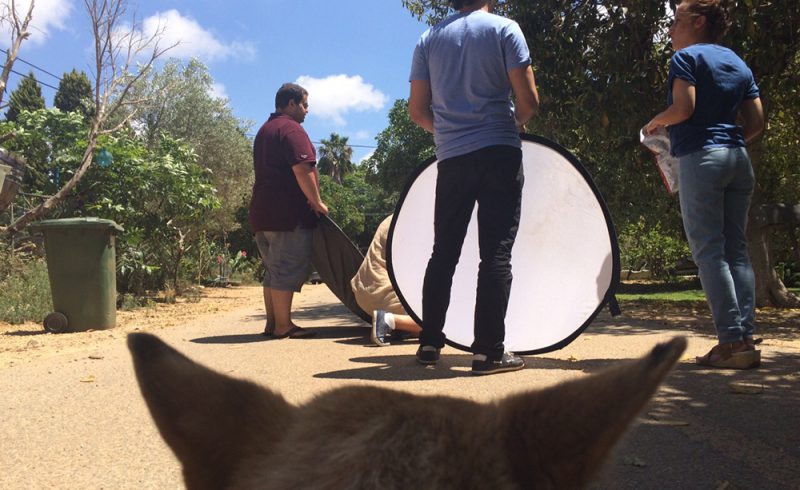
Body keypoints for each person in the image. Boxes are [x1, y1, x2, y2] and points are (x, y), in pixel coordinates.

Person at [408, 0, 539, 375]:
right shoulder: (504, 28)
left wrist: (450, 133)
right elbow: (528, 101)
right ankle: (488, 354)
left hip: (452, 159)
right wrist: (513, 124)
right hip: (499, 150)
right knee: (495, 252)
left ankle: (430, 344)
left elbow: (417, 111)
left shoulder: (427, 39)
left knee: (443, 252)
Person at [645, 0, 764, 369]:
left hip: (702, 159)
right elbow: (758, 122)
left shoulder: (686, 58)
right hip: (738, 159)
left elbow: (684, 109)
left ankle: (730, 342)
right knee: (736, 249)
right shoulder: (738, 62)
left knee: (709, 250)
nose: (669, 30)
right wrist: (728, 139)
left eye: (676, 21)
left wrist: (655, 123)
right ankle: (744, 337)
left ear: (697, 22)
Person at [249, 83, 329, 339]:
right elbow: (302, 169)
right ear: (291, 104)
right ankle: (283, 325)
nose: (307, 111)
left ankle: (273, 324)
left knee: (274, 270)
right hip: (286, 214)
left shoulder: (265, 130)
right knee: (286, 267)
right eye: (305, 105)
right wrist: (317, 202)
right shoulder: (291, 129)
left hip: (262, 213)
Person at [351, 214, 422, 346]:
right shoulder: (413, 222)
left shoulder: (396, 217)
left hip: (363, 292)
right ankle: (387, 319)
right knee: (442, 323)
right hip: (384, 292)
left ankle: (402, 325)